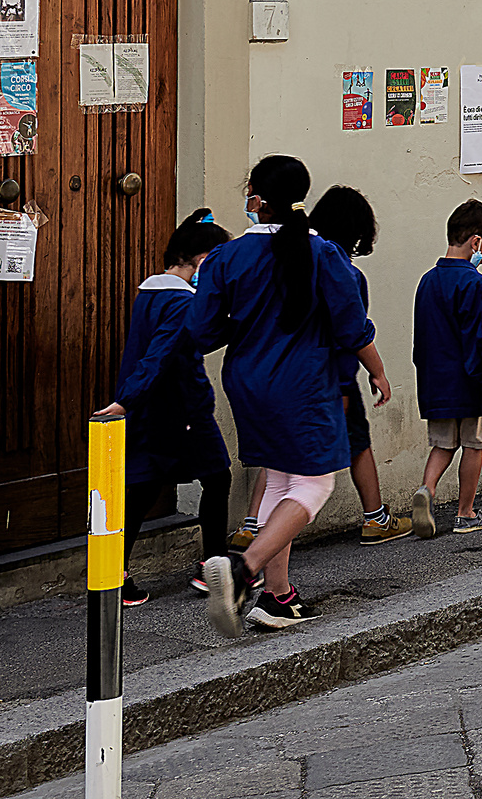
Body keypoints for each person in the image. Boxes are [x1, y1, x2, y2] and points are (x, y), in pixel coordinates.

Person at [192, 155, 393, 635]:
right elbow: (351, 326)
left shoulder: (225, 257)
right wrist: (378, 370)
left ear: (257, 201)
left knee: (281, 481)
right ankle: (244, 569)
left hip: (245, 382)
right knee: (313, 485)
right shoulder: (321, 253)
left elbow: (202, 333)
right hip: (302, 384)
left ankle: (279, 598)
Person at [93, 209, 233, 606]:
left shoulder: (151, 294)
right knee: (217, 479)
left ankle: (116, 576)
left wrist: (130, 399)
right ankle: (213, 565)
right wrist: (125, 401)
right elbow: (161, 354)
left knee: (140, 489)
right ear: (204, 259)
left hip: (153, 408)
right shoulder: (182, 301)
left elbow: (174, 345)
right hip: (181, 408)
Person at [309, 186, 413, 545]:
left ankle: (250, 526)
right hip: (334, 375)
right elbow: (354, 330)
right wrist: (378, 371)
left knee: (281, 457)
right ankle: (376, 517)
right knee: (358, 444)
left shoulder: (299, 259)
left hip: (293, 373)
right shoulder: (345, 271)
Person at [411, 198, 482, 538]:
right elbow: (480, 338)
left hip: (437, 381)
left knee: (444, 444)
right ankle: (466, 512)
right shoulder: (474, 283)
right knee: (474, 444)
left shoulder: (427, 281)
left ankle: (427, 490)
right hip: (470, 381)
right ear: (475, 241)